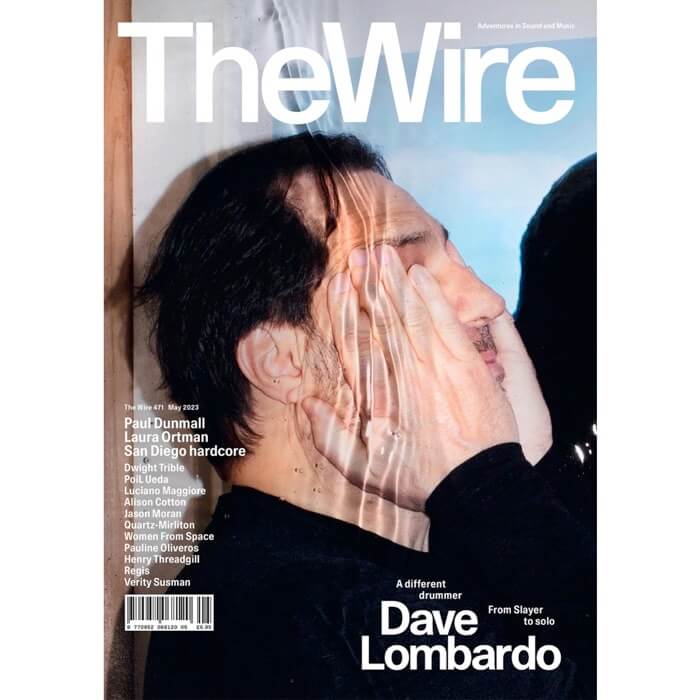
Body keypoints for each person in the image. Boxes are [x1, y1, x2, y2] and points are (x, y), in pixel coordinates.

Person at [139, 133, 595, 699]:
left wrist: (533, 467)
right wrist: (494, 488)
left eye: (459, 263)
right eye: (412, 275)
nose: (488, 301)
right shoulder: (287, 622)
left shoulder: (389, 585)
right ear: (281, 360)